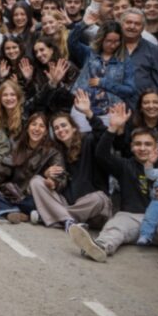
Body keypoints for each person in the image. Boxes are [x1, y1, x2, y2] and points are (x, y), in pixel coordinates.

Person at [68, 103, 158, 272]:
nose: (142, 148)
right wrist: (112, 128)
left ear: (156, 147)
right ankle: (100, 247)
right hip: (131, 219)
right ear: (131, 147)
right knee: (116, 224)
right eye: (137, 144)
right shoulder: (125, 166)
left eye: (147, 144)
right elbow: (101, 155)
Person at [29, 92, 113, 230]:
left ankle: (56, 217)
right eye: (56, 128)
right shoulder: (57, 151)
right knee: (36, 181)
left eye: (63, 125)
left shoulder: (88, 140)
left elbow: (104, 137)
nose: (60, 130)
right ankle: (68, 221)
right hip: (67, 202)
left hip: (92, 205)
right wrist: (48, 175)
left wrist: (88, 113)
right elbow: (59, 182)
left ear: (74, 127)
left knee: (99, 198)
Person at [0, 112, 66, 223]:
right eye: (33, 124)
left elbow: (60, 175)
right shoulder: (17, 146)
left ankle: (0, 207)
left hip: (31, 196)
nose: (37, 129)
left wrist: (53, 182)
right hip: (12, 192)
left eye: (41, 126)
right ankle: (14, 212)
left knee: (34, 204)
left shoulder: (53, 152)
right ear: (27, 127)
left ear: (46, 131)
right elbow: (5, 165)